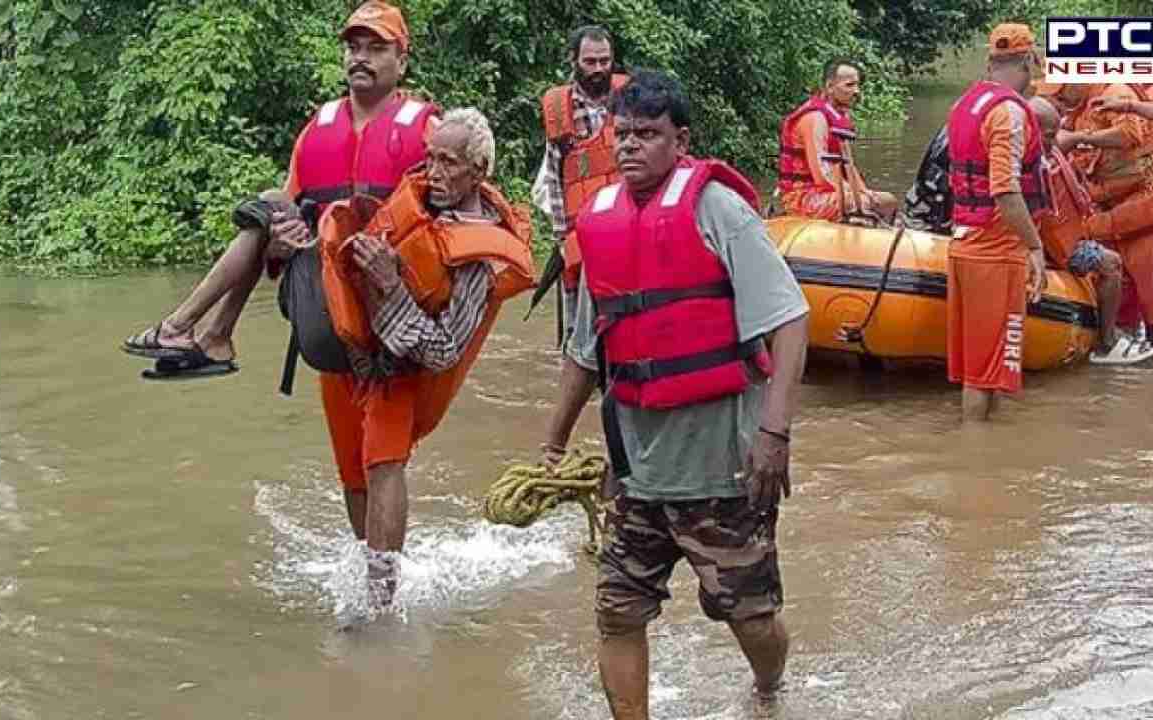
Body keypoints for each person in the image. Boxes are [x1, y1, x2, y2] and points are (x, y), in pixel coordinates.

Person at [541, 70, 809, 716]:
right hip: (638, 476)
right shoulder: (601, 223)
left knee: (751, 619)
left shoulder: (719, 210)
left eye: (649, 134)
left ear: (680, 140)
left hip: (725, 470)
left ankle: (770, 688)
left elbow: (790, 318)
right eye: (623, 134)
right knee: (616, 612)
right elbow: (586, 351)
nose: (631, 147)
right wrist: (551, 442)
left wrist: (774, 433)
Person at [121, 1, 438, 378]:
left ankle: (195, 331)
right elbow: (279, 232)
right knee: (270, 204)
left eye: (377, 48)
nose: (361, 58)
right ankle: (201, 332)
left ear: (402, 61)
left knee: (271, 201)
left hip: (391, 309)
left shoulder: (429, 129)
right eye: (353, 48)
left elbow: (457, 224)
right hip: (325, 309)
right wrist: (278, 247)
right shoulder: (317, 129)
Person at [320, 108, 534, 608]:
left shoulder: (479, 254)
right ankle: (371, 575)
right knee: (353, 474)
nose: (434, 172)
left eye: (450, 162)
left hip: (405, 370)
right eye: (431, 157)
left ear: (479, 171)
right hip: (358, 358)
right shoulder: (416, 194)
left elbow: (444, 349)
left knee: (382, 467)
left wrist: (391, 288)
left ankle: (381, 604)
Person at [945, 24, 1049, 422]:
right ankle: (981, 468)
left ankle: (984, 460)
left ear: (990, 60)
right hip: (996, 251)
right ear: (1029, 60)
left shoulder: (964, 104)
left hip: (965, 243)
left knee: (983, 374)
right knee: (983, 376)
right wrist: (1035, 246)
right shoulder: (1009, 113)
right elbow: (1006, 191)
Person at [1037, 76, 1153, 353]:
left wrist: (1078, 139)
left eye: (1061, 92)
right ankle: (1120, 355)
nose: (1059, 99)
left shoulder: (1113, 94)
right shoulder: (1071, 112)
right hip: (1108, 212)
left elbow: (1130, 135)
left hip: (1145, 210)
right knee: (1117, 293)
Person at [531, 24, 627, 345]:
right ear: (574, 61)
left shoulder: (632, 100)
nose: (598, 69)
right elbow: (554, 178)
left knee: (630, 326)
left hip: (627, 233)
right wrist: (561, 238)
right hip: (581, 237)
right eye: (590, 61)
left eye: (604, 60)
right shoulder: (560, 111)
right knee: (579, 338)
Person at [776, 58, 898, 224]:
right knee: (860, 202)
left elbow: (849, 166)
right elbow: (822, 175)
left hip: (827, 193)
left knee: (888, 201)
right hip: (801, 197)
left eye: (857, 85)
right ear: (830, 87)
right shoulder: (815, 118)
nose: (857, 91)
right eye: (849, 85)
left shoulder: (838, 116)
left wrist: (863, 190)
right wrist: (854, 194)